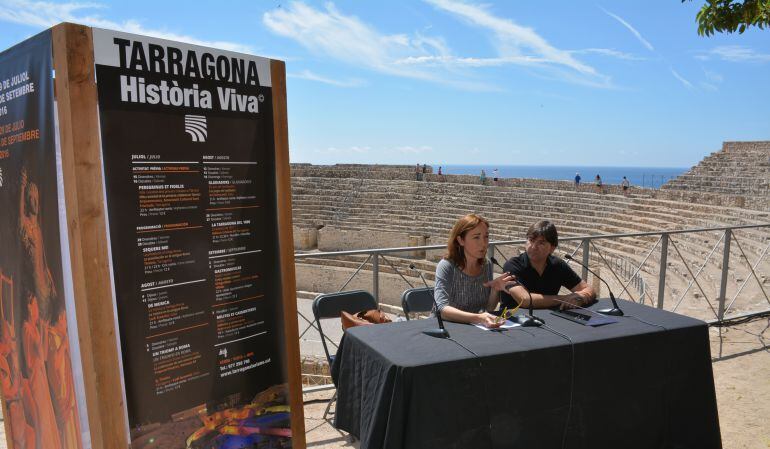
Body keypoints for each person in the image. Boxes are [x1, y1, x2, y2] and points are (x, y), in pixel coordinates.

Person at [434, 214, 515, 328]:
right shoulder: (446, 266)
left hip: (473, 328)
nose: (483, 243)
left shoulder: (486, 264)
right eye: (476, 237)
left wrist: (495, 290)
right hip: (445, 328)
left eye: (486, 237)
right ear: (461, 240)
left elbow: (488, 308)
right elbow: (442, 309)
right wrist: (478, 318)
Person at [500, 220, 595, 310]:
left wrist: (581, 297)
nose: (533, 247)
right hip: (512, 321)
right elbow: (525, 300)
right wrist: (565, 298)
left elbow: (588, 289)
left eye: (541, 243)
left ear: (552, 248)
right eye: (531, 240)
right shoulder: (512, 265)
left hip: (547, 321)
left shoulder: (558, 265)